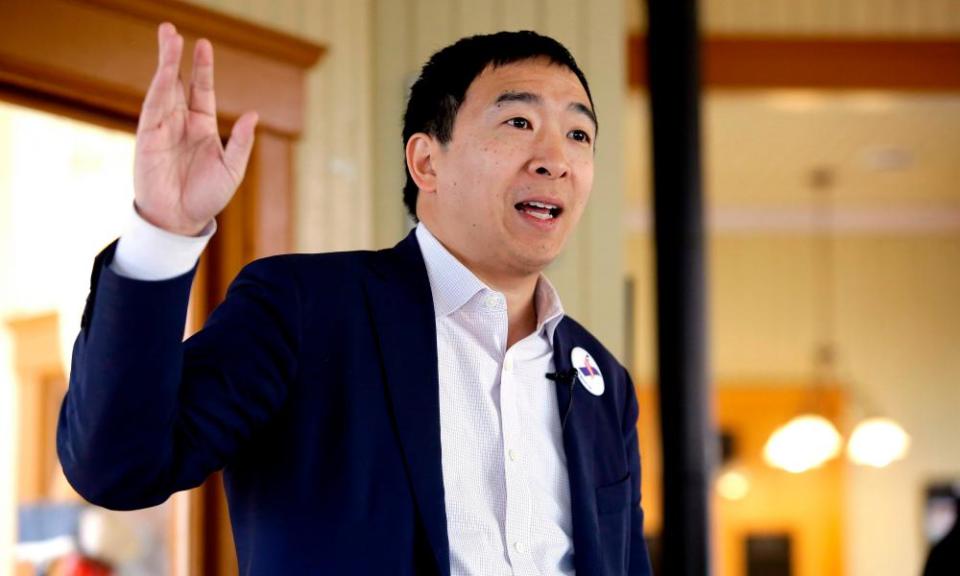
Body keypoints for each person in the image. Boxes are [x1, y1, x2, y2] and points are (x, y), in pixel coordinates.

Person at [57, 22, 653, 576]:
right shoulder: (302, 310)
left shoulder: (603, 380)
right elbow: (119, 467)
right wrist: (163, 231)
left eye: (579, 134)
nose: (556, 160)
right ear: (426, 161)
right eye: (519, 123)